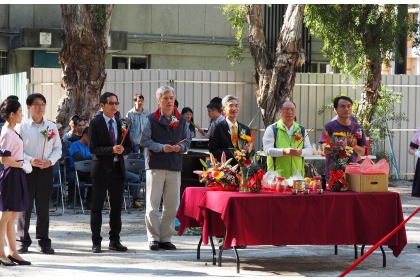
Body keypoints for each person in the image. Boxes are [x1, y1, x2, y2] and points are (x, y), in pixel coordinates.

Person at [140, 85, 190, 251]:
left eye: (171, 98)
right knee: (153, 204)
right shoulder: (151, 119)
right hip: (155, 165)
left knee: (171, 204)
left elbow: (187, 141)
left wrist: (179, 148)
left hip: (174, 166)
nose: (169, 101)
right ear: (158, 101)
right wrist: (161, 147)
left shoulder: (181, 120)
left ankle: (166, 238)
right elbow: (145, 141)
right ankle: (153, 238)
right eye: (165, 98)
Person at [16, 93, 62, 255]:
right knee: (25, 207)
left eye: (43, 104)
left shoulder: (51, 127)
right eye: (36, 104)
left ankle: (43, 241)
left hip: (45, 170)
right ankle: (22, 240)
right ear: (28, 107)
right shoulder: (21, 127)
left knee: (43, 207)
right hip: (27, 170)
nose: (40, 107)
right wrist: (30, 160)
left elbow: (58, 148)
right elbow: (16, 150)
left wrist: (50, 161)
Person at [88, 92, 132, 253]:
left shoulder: (121, 122)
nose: (114, 106)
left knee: (116, 208)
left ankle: (115, 240)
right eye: (110, 103)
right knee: (97, 207)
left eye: (116, 103)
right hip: (101, 169)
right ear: (102, 105)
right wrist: (110, 150)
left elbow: (128, 146)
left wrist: (122, 150)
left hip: (117, 170)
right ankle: (96, 241)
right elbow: (92, 148)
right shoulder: (96, 123)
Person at [0, 98, 32, 266]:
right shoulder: (6, 132)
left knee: (12, 215)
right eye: (20, 111)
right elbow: (4, 159)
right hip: (11, 173)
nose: (22, 114)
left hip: (17, 172)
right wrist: (21, 164)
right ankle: (1, 253)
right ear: (12, 114)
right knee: (5, 216)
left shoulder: (13, 131)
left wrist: (23, 164)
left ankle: (13, 252)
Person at [319, 96, 367, 179]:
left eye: (349, 106)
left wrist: (353, 144)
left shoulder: (357, 127)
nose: (346, 109)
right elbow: (325, 150)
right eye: (342, 106)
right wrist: (341, 142)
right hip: (333, 174)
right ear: (335, 109)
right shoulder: (329, 127)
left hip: (352, 173)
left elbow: (362, 152)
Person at [262, 100, 312, 178]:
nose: (290, 112)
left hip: (297, 177)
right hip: (277, 177)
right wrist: (284, 151)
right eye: (287, 109)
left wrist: (301, 152)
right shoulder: (272, 129)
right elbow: (267, 150)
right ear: (280, 112)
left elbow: (309, 150)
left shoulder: (301, 129)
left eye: (292, 109)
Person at [209, 95, 251, 166]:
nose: (234, 108)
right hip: (225, 169)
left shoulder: (245, 129)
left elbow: (249, 149)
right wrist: (233, 153)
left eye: (236, 106)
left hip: (242, 168)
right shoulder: (217, 128)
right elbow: (213, 150)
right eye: (231, 106)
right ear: (223, 109)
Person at [68, 127, 93, 210]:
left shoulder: (91, 146)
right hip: (75, 170)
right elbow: (78, 157)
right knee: (72, 179)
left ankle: (89, 203)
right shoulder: (75, 145)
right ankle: (71, 201)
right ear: (84, 135)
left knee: (95, 180)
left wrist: (88, 158)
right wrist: (91, 158)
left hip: (88, 171)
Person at [51, 122, 71, 205]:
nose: (61, 131)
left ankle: (72, 200)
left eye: (62, 130)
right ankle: (56, 199)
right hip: (54, 166)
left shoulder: (68, 143)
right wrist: (59, 162)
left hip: (66, 166)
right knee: (56, 173)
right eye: (59, 130)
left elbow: (71, 156)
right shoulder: (50, 144)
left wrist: (65, 161)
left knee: (74, 175)